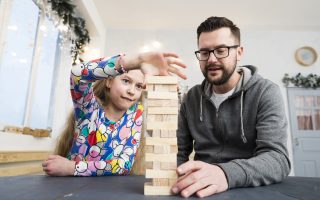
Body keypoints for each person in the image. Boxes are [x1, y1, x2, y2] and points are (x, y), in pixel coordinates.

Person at [172, 16, 291, 198]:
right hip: (201, 191)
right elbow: (178, 151)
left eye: (221, 50)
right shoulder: (192, 98)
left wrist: (224, 173)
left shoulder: (266, 92)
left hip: (250, 190)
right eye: (204, 52)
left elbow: (277, 160)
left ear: (239, 52)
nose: (211, 59)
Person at [42, 52, 187, 176]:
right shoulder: (89, 108)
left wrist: (72, 168)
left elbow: (123, 165)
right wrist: (134, 61)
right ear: (109, 82)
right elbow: (78, 74)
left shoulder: (135, 116)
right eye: (125, 81)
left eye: (138, 86)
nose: (132, 91)